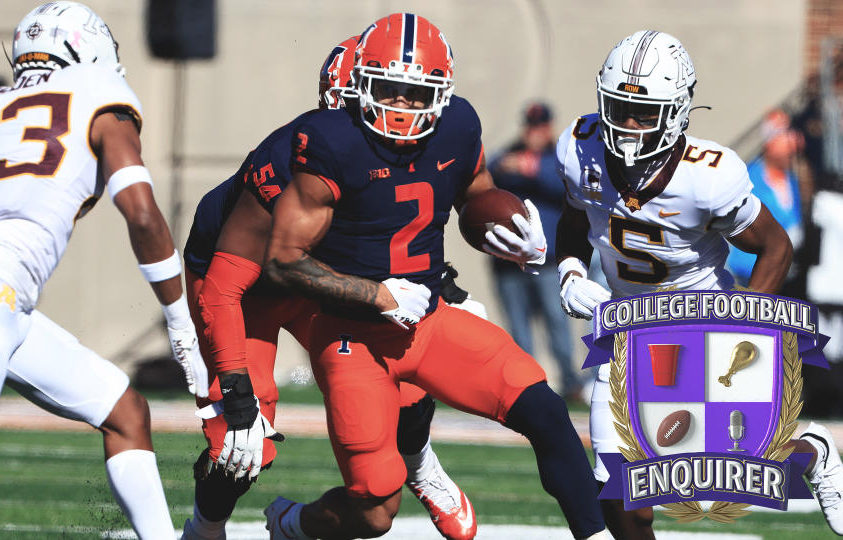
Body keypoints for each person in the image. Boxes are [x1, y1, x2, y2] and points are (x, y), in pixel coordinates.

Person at [262, 13, 607, 540]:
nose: (401, 105)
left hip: (429, 320)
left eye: (415, 93)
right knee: (376, 507)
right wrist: (374, 295)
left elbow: (474, 195)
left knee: (545, 408)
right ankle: (295, 523)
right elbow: (283, 259)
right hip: (353, 336)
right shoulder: (331, 139)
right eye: (388, 90)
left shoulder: (458, 126)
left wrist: (511, 228)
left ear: (441, 94)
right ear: (361, 86)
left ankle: (597, 536)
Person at [0, 3, 210, 539]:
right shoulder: (103, 98)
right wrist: (180, 321)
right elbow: (144, 214)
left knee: (125, 412)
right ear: (89, 52)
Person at [180, 36, 479, 540]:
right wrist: (235, 392)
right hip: (242, 289)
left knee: (406, 380)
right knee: (239, 444)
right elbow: (222, 291)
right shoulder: (286, 165)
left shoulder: (394, 150)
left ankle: (422, 465)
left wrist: (435, 283)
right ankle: (205, 527)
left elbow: (398, 233)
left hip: (316, 286)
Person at [555, 29, 843, 538]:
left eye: (644, 113)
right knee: (620, 498)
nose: (626, 125)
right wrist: (571, 271)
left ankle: (812, 452)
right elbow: (575, 222)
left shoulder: (708, 176)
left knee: (709, 479)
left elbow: (775, 247)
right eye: (618, 108)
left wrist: (744, 326)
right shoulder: (581, 151)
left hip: (699, 323)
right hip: (623, 330)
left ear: (679, 111)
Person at [489, 101, 584, 401]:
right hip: (509, 259)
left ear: (549, 127)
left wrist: (531, 168)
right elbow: (488, 175)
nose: (534, 133)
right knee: (518, 327)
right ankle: (527, 385)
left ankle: (570, 383)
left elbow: (568, 186)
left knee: (557, 323)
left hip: (548, 259)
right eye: (531, 126)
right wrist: (514, 166)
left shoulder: (559, 158)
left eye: (540, 126)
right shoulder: (508, 154)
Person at [727, 109, 806, 287]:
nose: (794, 143)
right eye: (785, 135)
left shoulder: (792, 180)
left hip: (785, 273)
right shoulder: (747, 177)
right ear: (769, 143)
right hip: (750, 277)